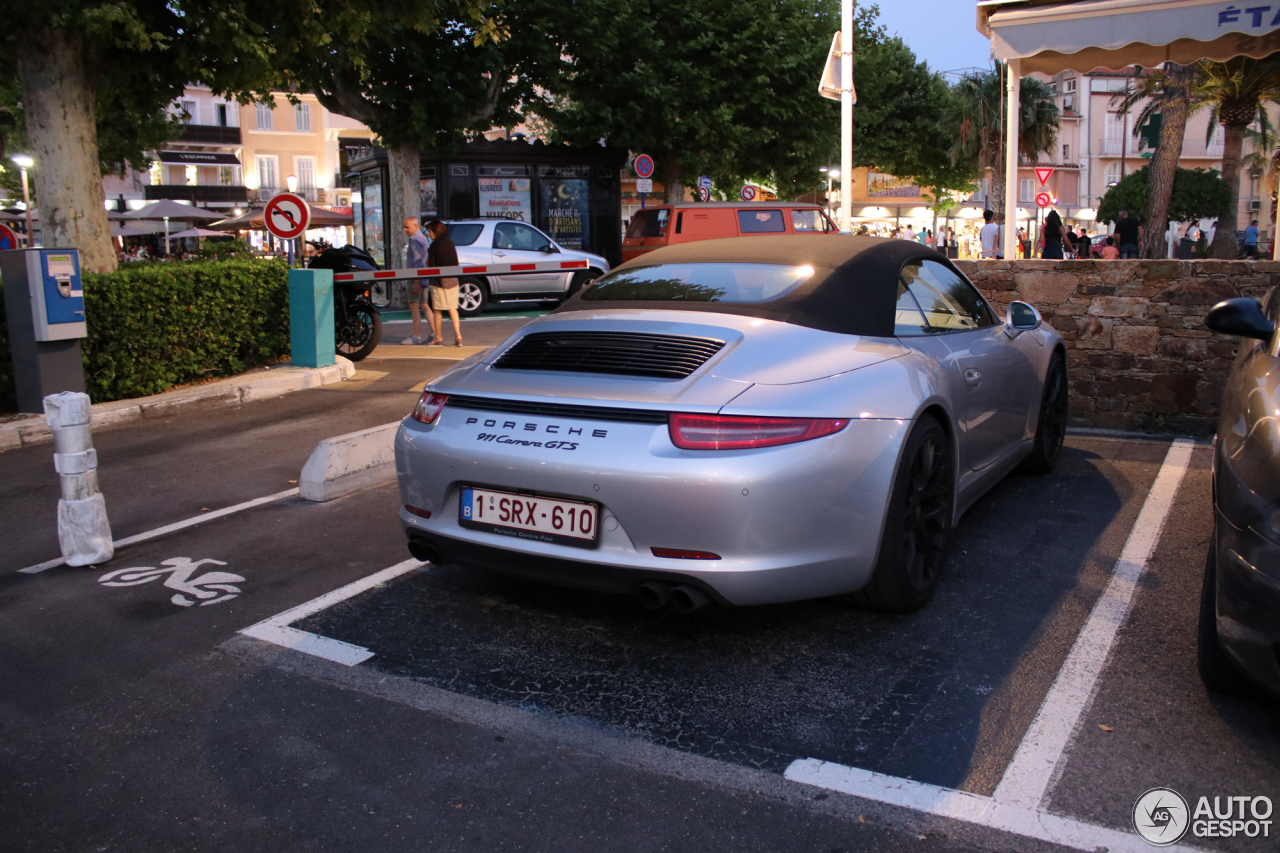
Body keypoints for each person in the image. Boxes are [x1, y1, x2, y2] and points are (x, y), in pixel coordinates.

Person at [425, 219, 464, 347]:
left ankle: (438, 337)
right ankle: (458, 335)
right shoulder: (450, 243)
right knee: (453, 308)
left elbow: (431, 267)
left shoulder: (434, 246)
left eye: (430, 231)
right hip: (453, 280)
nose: (429, 234)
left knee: (437, 310)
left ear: (435, 231)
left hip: (439, 282)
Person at [400, 217, 436, 345]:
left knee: (414, 305)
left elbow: (417, 261)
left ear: (415, 226)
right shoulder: (423, 238)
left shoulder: (415, 240)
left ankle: (416, 335)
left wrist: (415, 281)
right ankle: (434, 332)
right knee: (424, 304)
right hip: (424, 277)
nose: (405, 230)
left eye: (407, 227)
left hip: (416, 277)